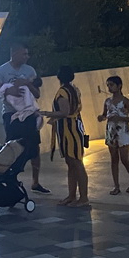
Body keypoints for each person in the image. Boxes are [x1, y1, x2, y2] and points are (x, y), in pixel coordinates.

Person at [0, 43, 49, 194]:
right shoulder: (1, 70)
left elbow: (37, 94)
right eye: (24, 54)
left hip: (28, 114)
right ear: (14, 54)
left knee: (34, 147)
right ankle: (11, 179)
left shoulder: (30, 71)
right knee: (13, 147)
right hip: (10, 114)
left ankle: (36, 182)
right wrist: (9, 90)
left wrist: (27, 84)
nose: (27, 57)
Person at [41, 66, 89, 208]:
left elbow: (64, 111)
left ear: (59, 77)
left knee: (76, 163)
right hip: (74, 127)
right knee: (72, 163)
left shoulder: (62, 92)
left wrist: (46, 113)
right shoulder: (74, 89)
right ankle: (72, 195)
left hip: (69, 130)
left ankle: (83, 197)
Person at [98, 76, 129, 195]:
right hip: (111, 131)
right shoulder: (107, 101)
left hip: (122, 131)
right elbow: (105, 114)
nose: (109, 87)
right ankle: (116, 186)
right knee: (114, 159)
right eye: (108, 85)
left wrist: (120, 118)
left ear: (119, 86)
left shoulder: (125, 101)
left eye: (111, 85)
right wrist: (102, 117)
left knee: (124, 159)